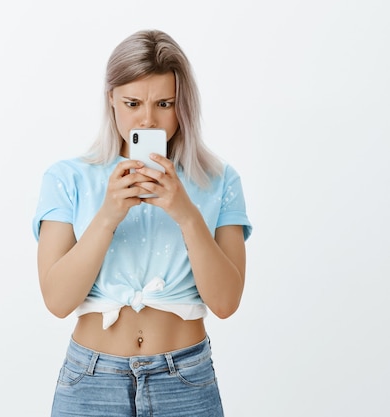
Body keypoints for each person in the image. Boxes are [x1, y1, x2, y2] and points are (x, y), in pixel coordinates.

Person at [32, 29, 252, 417]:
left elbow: (226, 302)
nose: (148, 119)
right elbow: (57, 300)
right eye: (133, 103)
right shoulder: (67, 178)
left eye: (164, 103)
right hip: (92, 380)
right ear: (111, 100)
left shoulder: (218, 180)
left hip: (184, 380)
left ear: (183, 106)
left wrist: (186, 212)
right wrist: (107, 216)